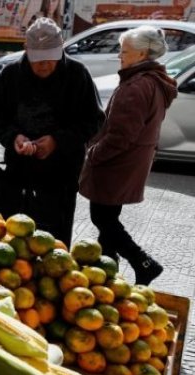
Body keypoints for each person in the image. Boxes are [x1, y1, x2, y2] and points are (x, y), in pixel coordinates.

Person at [0, 17, 104, 246]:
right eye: (38, 59)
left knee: (55, 241)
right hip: (18, 172)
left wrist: (57, 141)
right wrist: (14, 138)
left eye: (51, 58)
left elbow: (94, 120)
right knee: (16, 240)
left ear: (61, 48)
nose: (45, 65)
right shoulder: (10, 76)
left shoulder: (78, 74)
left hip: (61, 175)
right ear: (26, 50)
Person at [79, 26, 177, 285]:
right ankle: (106, 273)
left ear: (142, 53)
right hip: (129, 164)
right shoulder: (151, 80)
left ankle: (143, 262)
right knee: (108, 219)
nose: (119, 55)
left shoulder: (136, 86)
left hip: (116, 165)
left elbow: (121, 136)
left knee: (102, 218)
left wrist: (94, 154)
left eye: (124, 51)